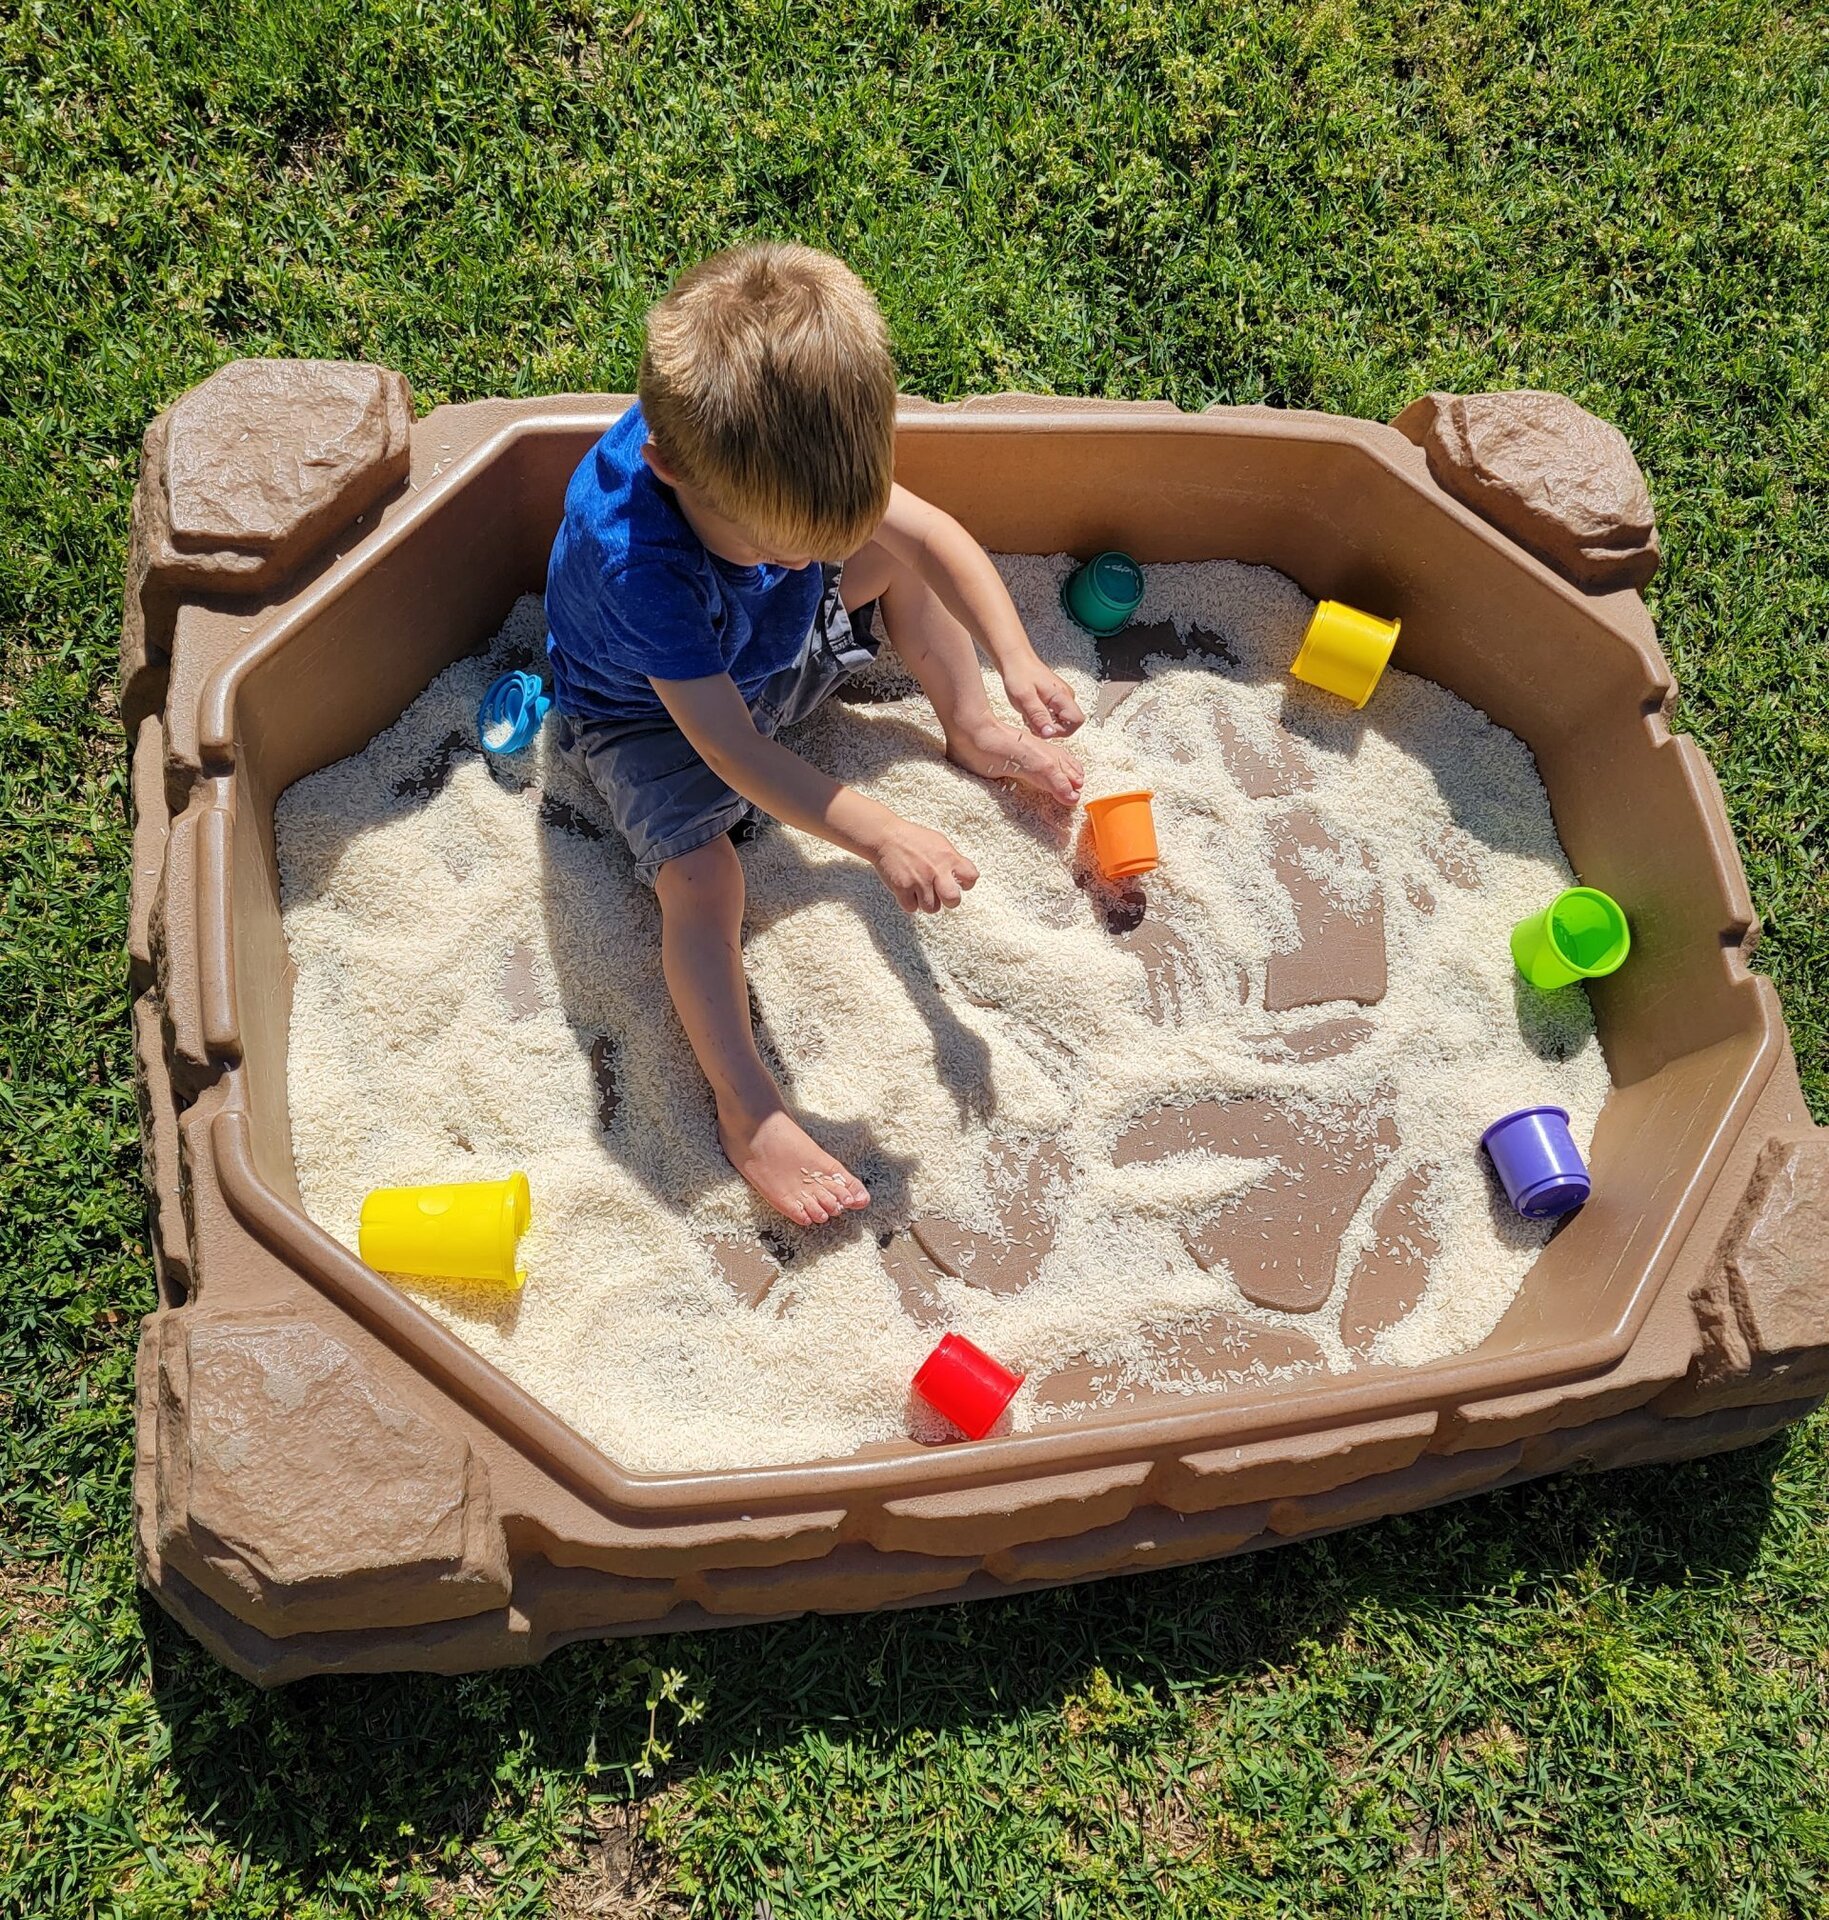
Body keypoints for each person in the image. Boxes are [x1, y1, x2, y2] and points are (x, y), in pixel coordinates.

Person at [546, 242, 1085, 1226]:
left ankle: (965, 724)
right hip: (650, 720)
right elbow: (732, 756)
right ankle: (746, 1107)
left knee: (895, 558)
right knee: (704, 881)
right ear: (667, 473)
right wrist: (878, 831)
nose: (812, 555)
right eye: (787, 543)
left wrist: (1014, 659)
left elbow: (932, 536)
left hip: (765, 653)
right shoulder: (636, 560)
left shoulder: (786, 458)